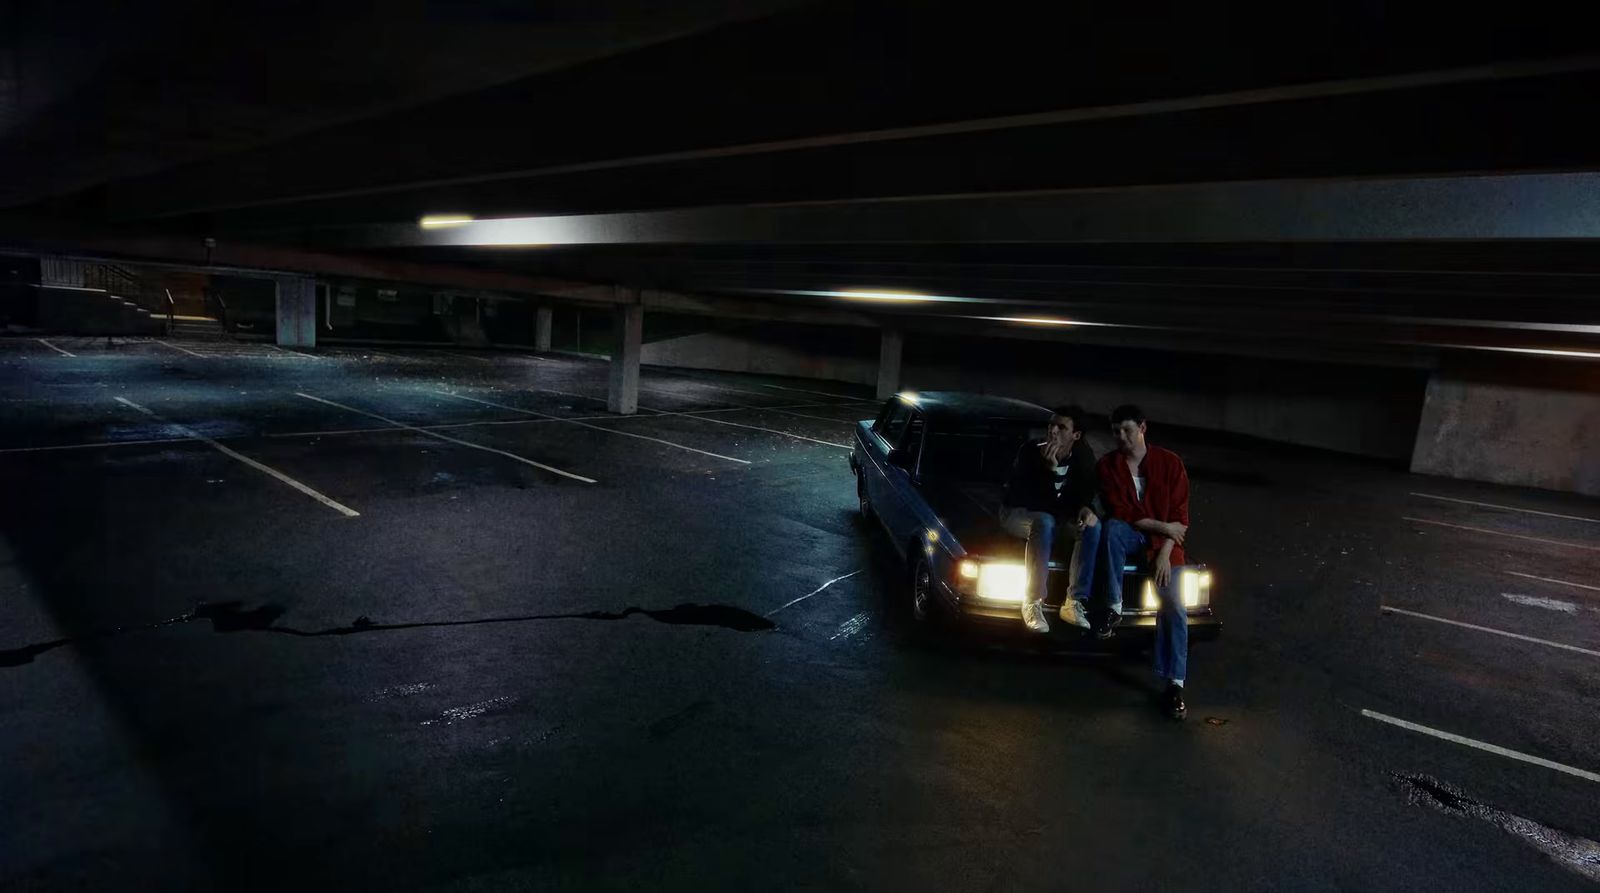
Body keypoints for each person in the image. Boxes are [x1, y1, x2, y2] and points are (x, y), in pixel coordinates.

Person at [1095, 404, 1192, 720]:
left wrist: (1164, 552)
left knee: (1174, 606)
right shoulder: (1109, 466)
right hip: (1136, 534)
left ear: (1143, 428)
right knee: (1112, 529)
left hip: (1164, 547)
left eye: (1127, 430)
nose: (1121, 437)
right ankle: (1114, 606)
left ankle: (1175, 684)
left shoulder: (1170, 463)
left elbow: (1180, 519)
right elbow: (1123, 512)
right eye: (1116, 432)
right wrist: (1164, 528)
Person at [1000, 405, 1101, 633]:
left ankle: (1074, 602)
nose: (1053, 430)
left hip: (1056, 516)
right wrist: (1050, 471)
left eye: (1061, 427)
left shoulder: (1082, 455)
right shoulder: (1031, 451)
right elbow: (1027, 500)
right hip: (1017, 513)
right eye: (1051, 425)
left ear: (1076, 435)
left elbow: (1083, 492)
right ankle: (1033, 602)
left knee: (1094, 526)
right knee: (1044, 521)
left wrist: (1085, 509)